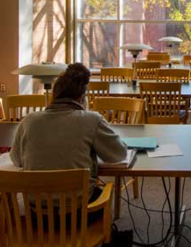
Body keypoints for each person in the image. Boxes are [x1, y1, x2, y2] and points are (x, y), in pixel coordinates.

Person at [10, 63, 127, 202]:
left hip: (37, 212)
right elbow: (119, 154)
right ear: (82, 97)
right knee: (103, 193)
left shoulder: (28, 121)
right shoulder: (92, 120)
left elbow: (16, 160)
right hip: (79, 210)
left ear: (54, 95)